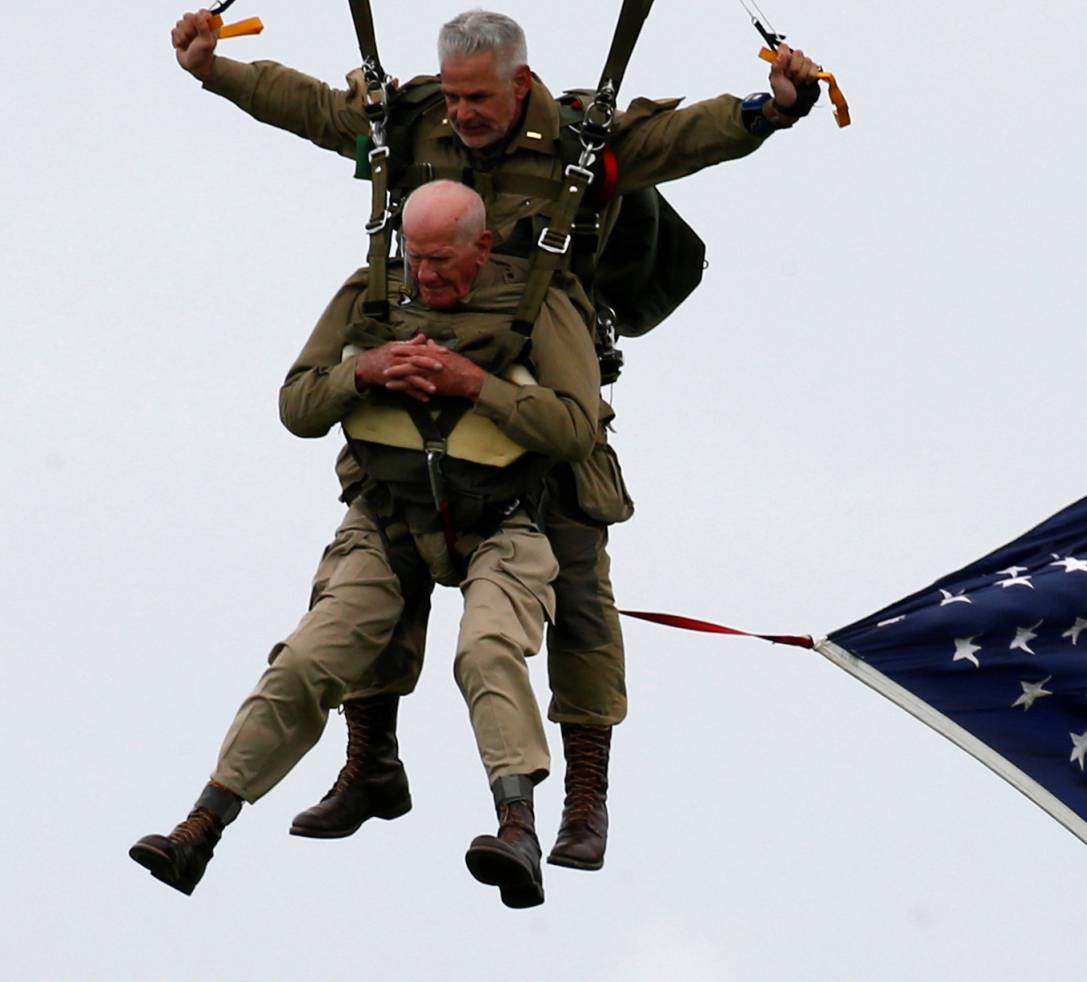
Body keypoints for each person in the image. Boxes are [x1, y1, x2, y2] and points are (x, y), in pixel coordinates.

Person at [167, 7, 826, 869]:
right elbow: (321, 113)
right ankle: (371, 765)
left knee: (580, 593)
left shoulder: (582, 143)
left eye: (478, 98)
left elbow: (683, 138)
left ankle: (583, 801)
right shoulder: (414, 125)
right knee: (380, 547)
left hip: (544, 380)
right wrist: (214, 71)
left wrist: (768, 109)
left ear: (520, 84)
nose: (463, 113)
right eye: (453, 95)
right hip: (418, 383)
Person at [130, 181, 603, 908]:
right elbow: (298, 404)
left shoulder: (541, 301)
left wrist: (475, 383)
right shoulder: (369, 294)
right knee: (307, 660)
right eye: (416, 259)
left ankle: (518, 829)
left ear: (482, 245)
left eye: (443, 260)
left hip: (506, 519)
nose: (427, 277)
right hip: (387, 517)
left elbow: (575, 430)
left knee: (486, 650)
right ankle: (201, 828)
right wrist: (365, 372)